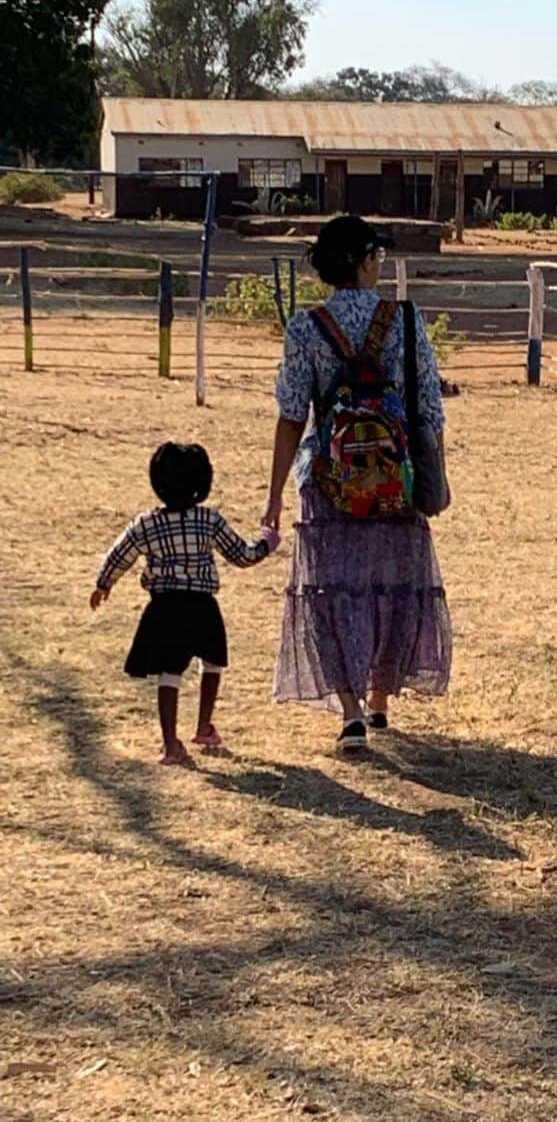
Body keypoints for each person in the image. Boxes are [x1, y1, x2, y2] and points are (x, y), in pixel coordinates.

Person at [263, 215, 452, 752]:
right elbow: (429, 409)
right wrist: (433, 475)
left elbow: (291, 416)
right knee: (392, 587)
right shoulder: (406, 320)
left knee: (331, 590)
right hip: (395, 480)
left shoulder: (305, 328)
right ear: (366, 260)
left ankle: (349, 714)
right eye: (378, 256)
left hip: (329, 480)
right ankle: (380, 699)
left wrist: (274, 492)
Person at [91, 442, 280, 765]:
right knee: (213, 660)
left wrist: (103, 584)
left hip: (164, 607)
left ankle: (170, 743)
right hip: (202, 605)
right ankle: (204, 725)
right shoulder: (209, 521)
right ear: (202, 483)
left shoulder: (146, 524)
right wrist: (266, 543)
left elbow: (119, 554)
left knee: (170, 671)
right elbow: (242, 555)